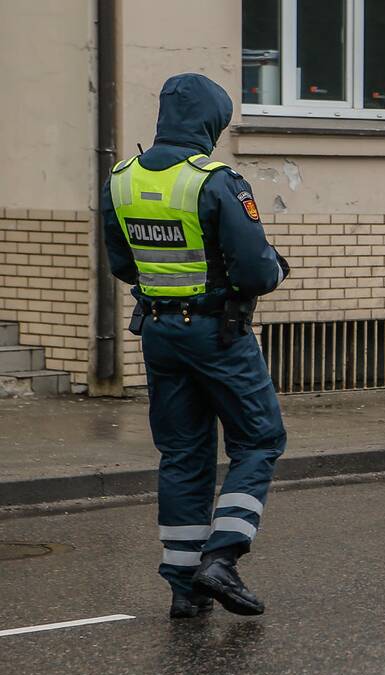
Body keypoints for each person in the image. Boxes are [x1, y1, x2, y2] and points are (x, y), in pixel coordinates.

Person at [101, 73, 289, 619]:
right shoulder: (216, 181)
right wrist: (275, 269)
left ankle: (184, 589)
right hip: (217, 333)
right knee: (259, 439)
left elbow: (121, 264)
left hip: (159, 332)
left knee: (183, 454)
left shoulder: (122, 178)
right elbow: (254, 269)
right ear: (210, 121)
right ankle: (223, 558)